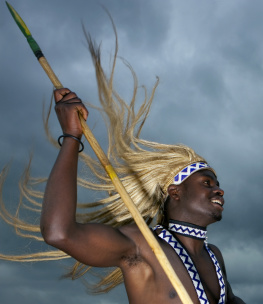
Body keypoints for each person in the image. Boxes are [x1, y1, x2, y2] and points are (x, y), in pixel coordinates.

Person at [0, 33, 245, 304]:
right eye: (207, 183)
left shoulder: (213, 256)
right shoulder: (141, 246)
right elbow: (59, 233)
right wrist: (72, 136)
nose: (219, 190)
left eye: (216, 183)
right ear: (175, 192)